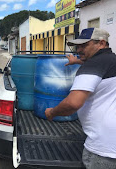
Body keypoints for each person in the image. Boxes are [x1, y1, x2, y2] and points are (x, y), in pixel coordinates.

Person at [45, 28, 116, 169]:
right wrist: (77, 62)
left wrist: (52, 112)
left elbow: (72, 103)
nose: (79, 49)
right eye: (77, 46)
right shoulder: (112, 60)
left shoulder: (93, 65)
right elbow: (102, 70)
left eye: (84, 45)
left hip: (102, 148)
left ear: (101, 43)